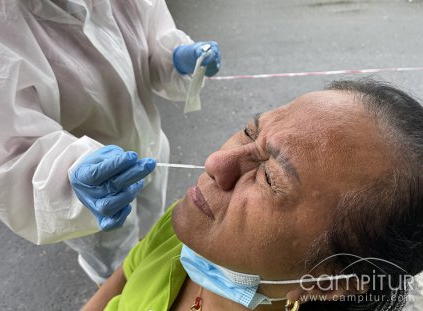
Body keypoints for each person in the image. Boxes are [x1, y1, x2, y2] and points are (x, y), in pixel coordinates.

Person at [82, 79, 423, 311]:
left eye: (270, 177)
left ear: (330, 283)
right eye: (249, 132)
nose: (216, 163)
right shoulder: (181, 234)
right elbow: (118, 285)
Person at [0, 0, 221, 284]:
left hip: (149, 146)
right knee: (114, 267)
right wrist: (68, 174)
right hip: (90, 191)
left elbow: (148, 44)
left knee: (152, 234)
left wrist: (175, 57)